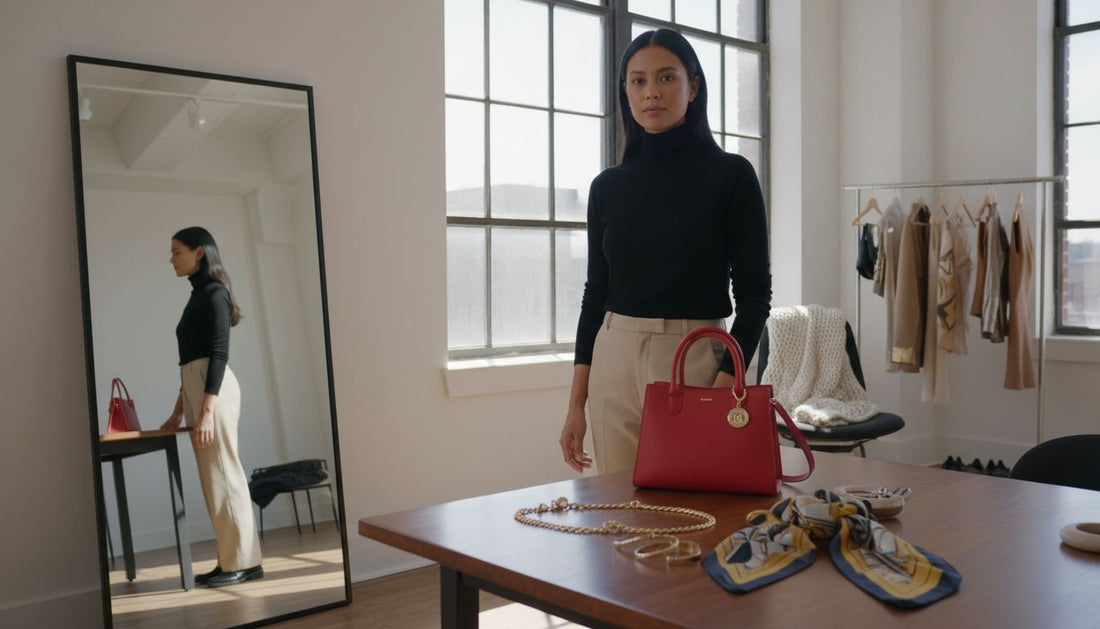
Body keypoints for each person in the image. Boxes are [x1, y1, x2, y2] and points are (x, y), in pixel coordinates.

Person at [558, 29, 772, 475]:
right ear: (626, 93)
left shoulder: (731, 176)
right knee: (620, 514)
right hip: (613, 356)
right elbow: (595, 296)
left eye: (666, 78)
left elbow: (755, 293)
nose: (651, 91)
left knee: (692, 510)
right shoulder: (606, 187)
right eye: (637, 81)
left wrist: (726, 382)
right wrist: (575, 405)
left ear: (693, 87)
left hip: (693, 353)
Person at [161, 226, 263, 587]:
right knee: (213, 481)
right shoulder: (196, 296)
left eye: (177, 251)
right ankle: (231, 559)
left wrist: (204, 411)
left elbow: (218, 355)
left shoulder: (214, 294)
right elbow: (190, 360)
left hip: (213, 393)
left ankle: (245, 563)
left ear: (199, 253)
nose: (171, 259)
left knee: (224, 474)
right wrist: (178, 410)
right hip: (198, 389)